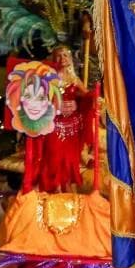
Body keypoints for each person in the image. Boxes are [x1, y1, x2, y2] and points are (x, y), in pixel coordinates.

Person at [43, 45, 91, 193]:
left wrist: (81, 102)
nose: (62, 58)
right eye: (58, 55)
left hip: (72, 127)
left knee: (70, 161)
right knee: (54, 158)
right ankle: (55, 193)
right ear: (53, 59)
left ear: (69, 59)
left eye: (65, 55)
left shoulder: (74, 79)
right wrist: (55, 105)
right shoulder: (48, 78)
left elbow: (87, 97)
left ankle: (70, 194)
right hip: (54, 125)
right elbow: (40, 100)